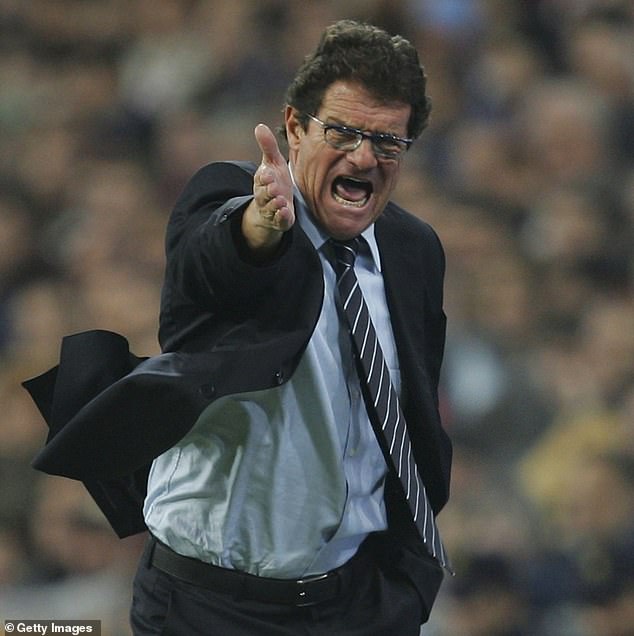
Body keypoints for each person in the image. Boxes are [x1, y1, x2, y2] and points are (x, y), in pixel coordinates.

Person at [23, 20, 452, 635]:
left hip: (358, 603)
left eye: (388, 142)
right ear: (296, 127)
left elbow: (411, 410)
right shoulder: (230, 195)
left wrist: (408, 581)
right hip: (212, 606)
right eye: (344, 132)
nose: (364, 156)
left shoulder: (414, 250)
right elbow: (211, 264)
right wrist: (259, 225)